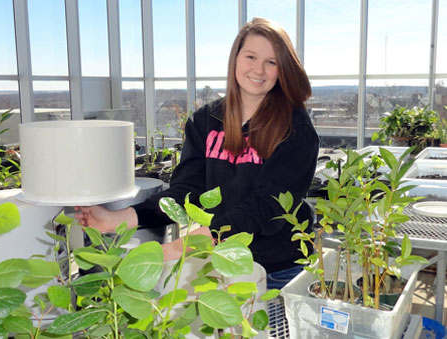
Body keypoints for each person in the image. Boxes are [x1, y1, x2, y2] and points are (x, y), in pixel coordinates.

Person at [75, 17, 319, 290]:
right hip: (218, 261)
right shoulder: (206, 121)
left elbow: (266, 207)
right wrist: (120, 218)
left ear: (282, 69)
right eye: (251, 57)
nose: (258, 69)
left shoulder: (295, 127)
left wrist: (185, 246)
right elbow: (185, 192)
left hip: (278, 268)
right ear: (236, 59)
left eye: (271, 62)